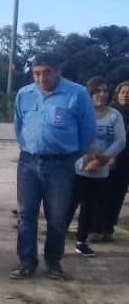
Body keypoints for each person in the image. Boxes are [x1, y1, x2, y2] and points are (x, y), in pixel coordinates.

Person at [10, 53, 96, 281]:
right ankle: (27, 262)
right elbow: (19, 125)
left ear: (58, 70)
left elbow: (87, 131)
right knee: (26, 214)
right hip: (28, 163)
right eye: (36, 73)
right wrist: (30, 148)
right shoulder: (24, 94)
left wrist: (69, 155)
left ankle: (53, 262)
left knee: (57, 217)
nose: (41, 78)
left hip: (61, 166)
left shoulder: (77, 94)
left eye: (47, 72)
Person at [67, 77, 125, 257]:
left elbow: (120, 141)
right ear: (89, 93)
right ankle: (57, 240)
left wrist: (101, 161)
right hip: (78, 167)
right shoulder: (81, 113)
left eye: (105, 91)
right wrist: (92, 157)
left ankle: (81, 241)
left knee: (90, 207)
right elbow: (73, 135)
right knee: (69, 206)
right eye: (97, 91)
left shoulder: (115, 115)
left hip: (100, 171)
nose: (102, 94)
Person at [93, 81, 129, 241]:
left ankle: (108, 229)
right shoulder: (112, 113)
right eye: (123, 92)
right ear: (117, 94)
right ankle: (95, 229)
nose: (126, 95)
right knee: (102, 194)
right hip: (109, 158)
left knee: (117, 196)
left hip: (125, 162)